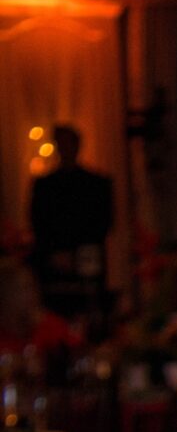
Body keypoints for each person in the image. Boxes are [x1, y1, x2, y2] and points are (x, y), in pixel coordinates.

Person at [28, 123, 113, 322]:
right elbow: (38, 222)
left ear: (77, 146)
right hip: (54, 263)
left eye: (68, 144)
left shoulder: (96, 184)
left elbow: (103, 222)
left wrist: (77, 255)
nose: (65, 149)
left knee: (90, 312)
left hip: (87, 261)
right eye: (61, 144)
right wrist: (55, 253)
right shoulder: (45, 185)